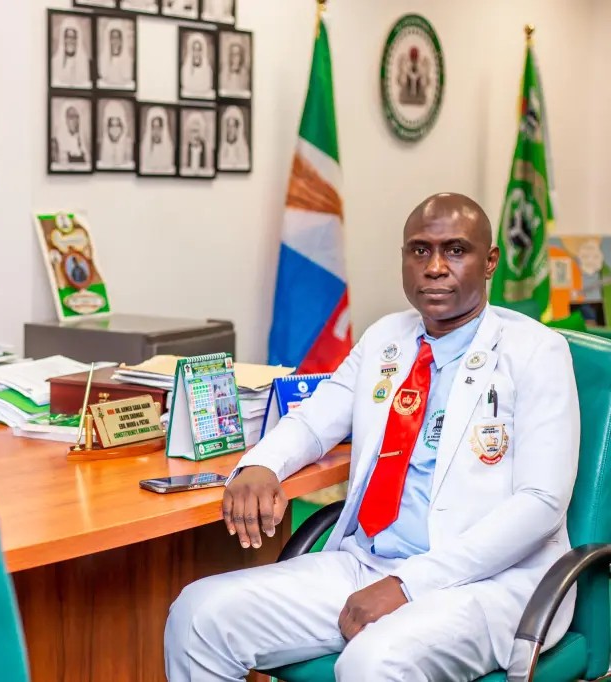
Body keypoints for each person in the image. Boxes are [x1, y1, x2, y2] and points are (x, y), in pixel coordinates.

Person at [165, 193, 579, 681]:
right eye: (420, 250)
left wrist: (409, 583)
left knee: (374, 660)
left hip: (489, 582)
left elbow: (540, 503)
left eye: (456, 250)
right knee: (199, 616)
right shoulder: (386, 337)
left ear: (489, 262)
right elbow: (315, 419)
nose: (435, 267)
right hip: (368, 563)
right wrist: (262, 464)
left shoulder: (536, 352)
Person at [51, 18, 91, 88]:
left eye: (73, 37)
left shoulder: (86, 64)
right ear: (63, 39)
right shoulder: (54, 62)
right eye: (68, 37)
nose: (70, 41)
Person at [98, 100, 133, 170]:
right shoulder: (102, 146)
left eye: (117, 126)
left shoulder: (129, 147)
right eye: (111, 126)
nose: (115, 129)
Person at [53, 101, 89, 168]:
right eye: (71, 117)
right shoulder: (58, 142)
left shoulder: (81, 141)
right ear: (65, 120)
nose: (75, 120)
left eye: (77, 117)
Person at [98, 22, 133, 89]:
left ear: (121, 40)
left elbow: (127, 76)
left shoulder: (127, 58)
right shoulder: (103, 57)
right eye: (113, 37)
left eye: (117, 38)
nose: (115, 41)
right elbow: (103, 75)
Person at [140, 106, 175, 174]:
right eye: (153, 127)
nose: (156, 132)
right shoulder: (144, 148)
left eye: (159, 128)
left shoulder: (169, 148)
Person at [181, 33, 214, 99]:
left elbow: (207, 86)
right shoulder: (185, 69)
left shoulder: (207, 69)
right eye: (194, 50)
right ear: (191, 51)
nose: (197, 53)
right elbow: (185, 85)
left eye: (199, 50)